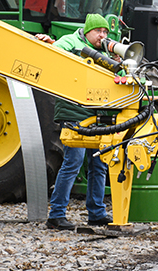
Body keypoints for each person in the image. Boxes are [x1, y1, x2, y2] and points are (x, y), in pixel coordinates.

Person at [40, 13, 113, 230]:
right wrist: (49, 43)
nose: (103, 35)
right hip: (74, 110)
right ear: (87, 31)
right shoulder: (70, 42)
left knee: (99, 164)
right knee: (73, 162)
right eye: (99, 31)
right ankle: (57, 214)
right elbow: (54, 57)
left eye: (106, 32)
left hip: (97, 112)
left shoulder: (105, 50)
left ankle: (97, 213)